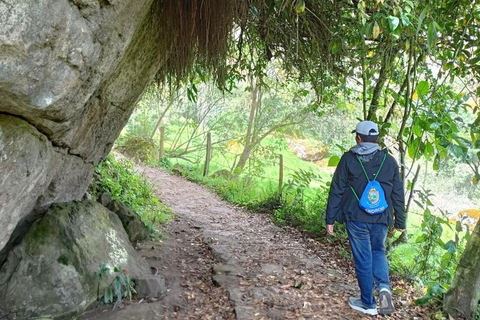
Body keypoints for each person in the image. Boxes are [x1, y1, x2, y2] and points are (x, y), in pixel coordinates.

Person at [326, 120, 406, 316]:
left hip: (356, 218)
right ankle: (384, 288)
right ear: (376, 138)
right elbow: (397, 193)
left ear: (358, 138)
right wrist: (400, 222)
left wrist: (330, 219)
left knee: (363, 258)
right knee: (378, 252)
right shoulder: (389, 161)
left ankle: (368, 303)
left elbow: (337, 190)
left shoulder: (348, 159)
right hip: (381, 218)